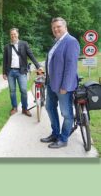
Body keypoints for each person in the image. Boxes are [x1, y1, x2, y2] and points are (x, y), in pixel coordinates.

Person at [40, 17, 80, 149]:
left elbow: (71, 66)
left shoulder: (71, 41)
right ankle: (55, 133)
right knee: (49, 108)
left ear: (65, 27)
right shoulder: (56, 42)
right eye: (53, 27)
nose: (56, 29)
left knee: (66, 113)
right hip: (51, 83)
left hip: (63, 86)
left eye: (58, 26)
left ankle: (63, 139)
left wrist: (65, 86)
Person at [3, 28, 42, 116]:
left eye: (14, 34)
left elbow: (31, 55)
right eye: (11, 34)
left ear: (18, 34)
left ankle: (24, 108)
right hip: (10, 72)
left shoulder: (24, 44)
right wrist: (4, 72)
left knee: (24, 90)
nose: (13, 36)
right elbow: (5, 60)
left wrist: (38, 66)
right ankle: (14, 107)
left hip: (21, 71)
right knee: (12, 91)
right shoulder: (7, 46)